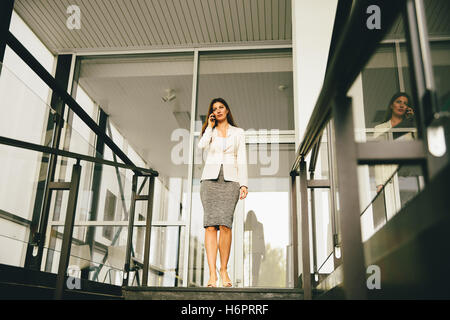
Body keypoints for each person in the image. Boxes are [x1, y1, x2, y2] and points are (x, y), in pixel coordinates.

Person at [198, 97, 248, 288]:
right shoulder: (209, 131)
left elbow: (241, 157)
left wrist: (244, 184)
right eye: (214, 109)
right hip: (210, 180)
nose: (218, 110)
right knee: (210, 226)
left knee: (225, 225)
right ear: (212, 113)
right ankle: (212, 274)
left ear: (227, 110)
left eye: (221, 107)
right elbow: (201, 146)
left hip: (231, 180)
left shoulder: (239, 132)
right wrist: (209, 127)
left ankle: (223, 270)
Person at [373, 92, 415, 220]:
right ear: (391, 105)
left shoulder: (411, 127)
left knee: (411, 214)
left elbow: (418, 147)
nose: (402, 105)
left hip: (408, 177)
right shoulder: (380, 128)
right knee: (394, 216)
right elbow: (377, 156)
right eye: (399, 102)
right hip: (389, 179)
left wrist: (412, 121)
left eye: (405, 103)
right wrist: (379, 183)